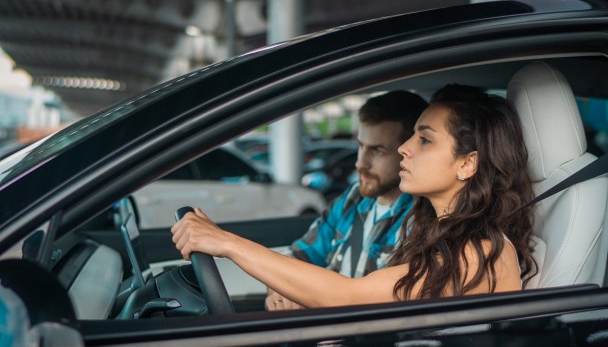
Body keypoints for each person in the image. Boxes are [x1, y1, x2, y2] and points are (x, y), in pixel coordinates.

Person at [171, 84, 538, 308]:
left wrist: (228, 243)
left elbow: (348, 296)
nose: (405, 148)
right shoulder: (437, 234)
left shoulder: (480, 253)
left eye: (424, 140)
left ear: (468, 163)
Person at [266, 90, 428, 310]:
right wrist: (277, 290)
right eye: (360, 146)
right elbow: (297, 255)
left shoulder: (422, 216)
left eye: (378, 151)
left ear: (408, 151)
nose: (360, 163)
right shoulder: (353, 199)